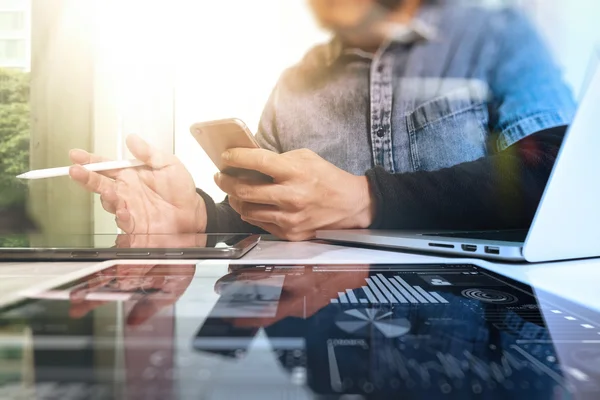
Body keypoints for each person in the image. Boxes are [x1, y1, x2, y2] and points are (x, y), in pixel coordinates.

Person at [69, 0, 575, 241]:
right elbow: (268, 213)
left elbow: (560, 178)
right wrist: (200, 218)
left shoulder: (495, 37)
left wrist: (366, 198)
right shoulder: (295, 83)